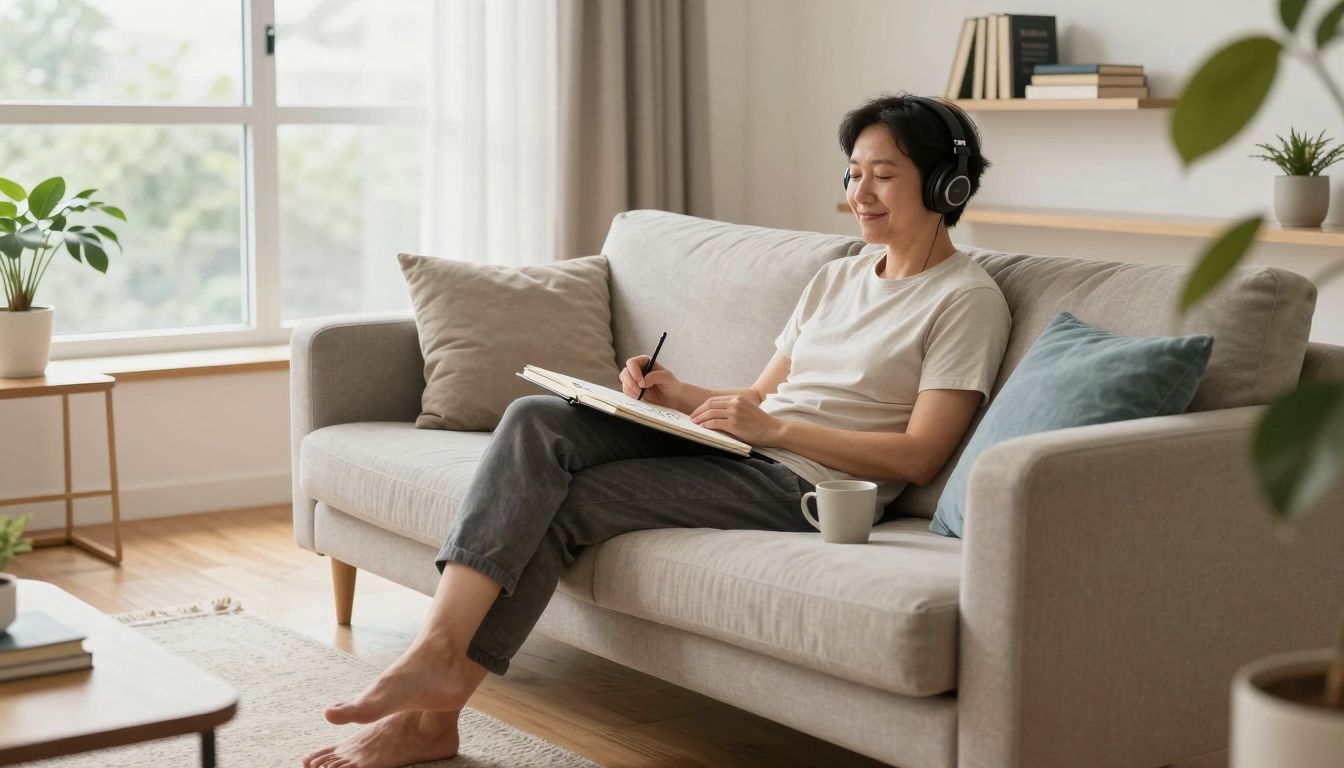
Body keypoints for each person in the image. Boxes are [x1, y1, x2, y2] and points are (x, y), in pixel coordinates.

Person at [302, 93, 1011, 768]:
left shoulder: (966, 300)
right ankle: (436, 653)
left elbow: (919, 457)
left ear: (944, 185)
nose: (860, 193)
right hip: (749, 446)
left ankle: (433, 713)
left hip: (805, 486)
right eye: (853, 173)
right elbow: (758, 396)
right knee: (535, 419)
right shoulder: (840, 277)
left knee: (566, 503)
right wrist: (676, 395)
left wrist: (777, 430)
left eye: (884, 175)